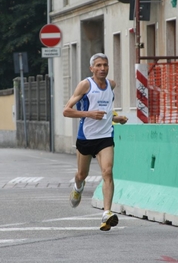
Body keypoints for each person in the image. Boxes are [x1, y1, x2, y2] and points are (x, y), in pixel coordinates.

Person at [63, 53, 128, 231]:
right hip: (86, 137)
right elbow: (66, 111)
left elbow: (107, 109)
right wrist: (89, 114)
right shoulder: (85, 85)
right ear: (92, 68)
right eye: (98, 65)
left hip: (105, 137)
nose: (102, 68)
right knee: (81, 174)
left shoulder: (111, 85)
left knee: (107, 172)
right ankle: (78, 187)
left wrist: (117, 118)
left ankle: (106, 214)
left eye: (105, 65)